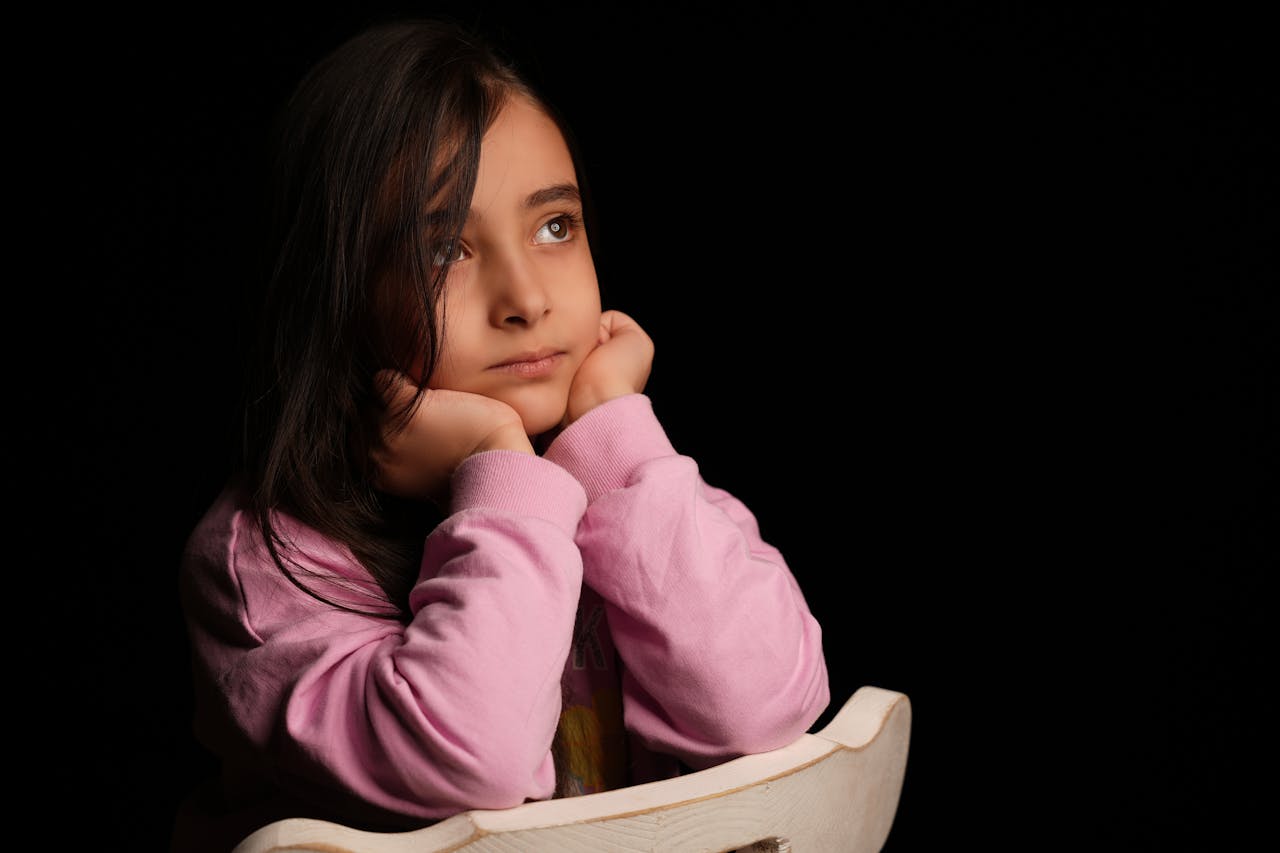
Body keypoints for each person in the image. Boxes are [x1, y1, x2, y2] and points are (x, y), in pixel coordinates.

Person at [174, 15, 830, 852]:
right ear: (335, 294)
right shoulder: (267, 560)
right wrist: (497, 468)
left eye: (555, 226)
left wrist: (613, 432)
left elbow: (767, 709)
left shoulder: (635, 488)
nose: (526, 298)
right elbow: (467, 763)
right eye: (444, 249)